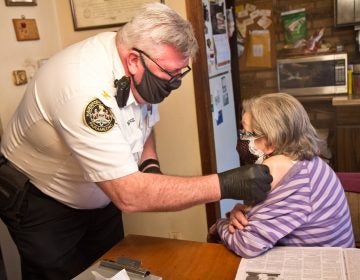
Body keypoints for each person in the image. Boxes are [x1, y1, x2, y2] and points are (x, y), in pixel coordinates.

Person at [0, 3, 272, 279]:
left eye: (181, 74)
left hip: (100, 194)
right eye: (171, 75)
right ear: (133, 60)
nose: (175, 83)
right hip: (44, 199)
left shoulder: (142, 67)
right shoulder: (82, 88)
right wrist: (225, 184)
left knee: (107, 271)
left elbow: (143, 123)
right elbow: (129, 194)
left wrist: (149, 165)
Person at [208, 92, 355, 258]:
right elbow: (266, 216)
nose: (241, 136)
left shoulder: (289, 176)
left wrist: (221, 225)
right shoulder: (304, 162)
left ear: (270, 143)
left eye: (245, 132)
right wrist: (242, 213)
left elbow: (248, 245)